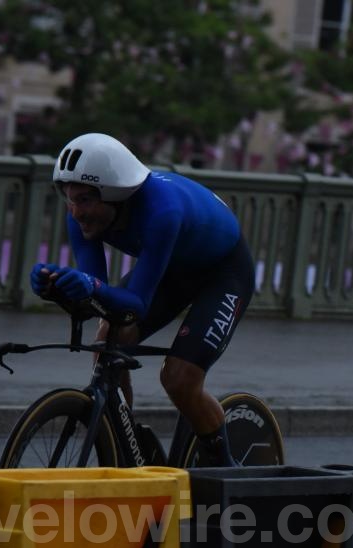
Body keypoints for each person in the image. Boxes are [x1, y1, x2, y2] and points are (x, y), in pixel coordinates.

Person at [30, 132, 254, 467]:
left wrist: (89, 286)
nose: (76, 212)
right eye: (69, 199)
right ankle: (127, 446)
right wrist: (58, 288)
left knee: (179, 378)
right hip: (174, 268)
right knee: (110, 336)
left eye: (86, 200)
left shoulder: (161, 211)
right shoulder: (82, 215)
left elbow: (136, 304)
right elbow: (99, 294)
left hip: (222, 273)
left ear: (116, 196)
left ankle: (225, 465)